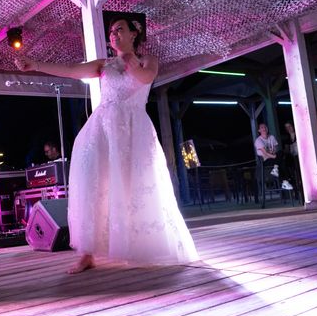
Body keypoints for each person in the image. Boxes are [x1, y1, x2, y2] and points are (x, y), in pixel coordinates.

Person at [15, 14, 198, 273]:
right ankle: (86, 253)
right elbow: (71, 70)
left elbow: (145, 78)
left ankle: (138, 244)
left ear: (134, 33)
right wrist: (35, 64)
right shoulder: (104, 65)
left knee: (135, 185)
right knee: (94, 183)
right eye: (111, 31)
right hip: (102, 128)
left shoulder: (148, 60)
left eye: (119, 29)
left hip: (134, 130)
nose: (113, 34)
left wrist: (128, 57)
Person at [254, 122, 293, 190]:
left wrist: (274, 154)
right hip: (266, 161)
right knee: (282, 161)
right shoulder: (258, 140)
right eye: (262, 127)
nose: (264, 128)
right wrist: (274, 156)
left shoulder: (271, 137)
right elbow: (265, 153)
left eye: (265, 127)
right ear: (259, 130)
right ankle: (285, 181)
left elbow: (275, 149)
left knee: (281, 153)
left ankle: (279, 174)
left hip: (274, 159)